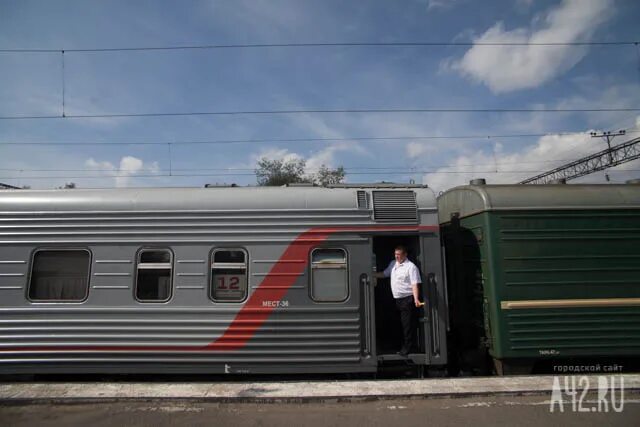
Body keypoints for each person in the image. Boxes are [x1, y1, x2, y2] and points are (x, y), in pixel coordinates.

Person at [376, 245, 423, 357]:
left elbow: (414, 284)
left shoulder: (411, 267)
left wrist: (416, 299)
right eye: (395, 254)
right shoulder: (393, 264)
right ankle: (398, 345)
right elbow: (384, 274)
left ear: (405, 255)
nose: (397, 256)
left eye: (399, 254)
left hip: (407, 299)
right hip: (396, 299)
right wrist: (371, 274)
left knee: (407, 325)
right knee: (397, 323)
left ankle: (408, 348)